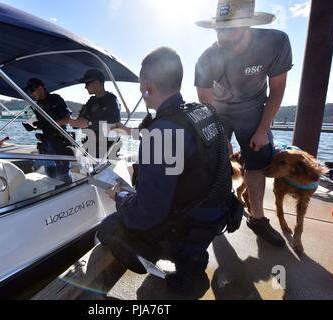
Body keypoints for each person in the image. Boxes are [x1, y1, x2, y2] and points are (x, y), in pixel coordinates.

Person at [97, 47, 233, 297]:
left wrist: (119, 196)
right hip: (214, 218)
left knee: (109, 228)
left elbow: (147, 214)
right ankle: (193, 262)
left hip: (187, 228)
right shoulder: (200, 113)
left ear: (146, 85)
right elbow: (180, 141)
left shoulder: (163, 133)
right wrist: (129, 132)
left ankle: (183, 272)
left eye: (141, 83)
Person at [195, 0, 293, 247]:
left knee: (257, 162)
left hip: (253, 109)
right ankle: (214, 212)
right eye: (219, 28)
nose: (222, 36)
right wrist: (219, 136)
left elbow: (278, 90)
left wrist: (263, 129)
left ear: (248, 25)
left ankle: (257, 219)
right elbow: (205, 101)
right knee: (214, 161)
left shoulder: (275, 43)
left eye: (230, 29)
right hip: (218, 110)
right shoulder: (207, 58)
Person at [25, 78, 73, 181]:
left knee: (62, 174)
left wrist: (50, 124)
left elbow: (67, 119)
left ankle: (66, 190)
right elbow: (44, 124)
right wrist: (35, 126)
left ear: (40, 88)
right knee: (50, 173)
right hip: (46, 143)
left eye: (32, 90)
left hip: (59, 142)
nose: (31, 94)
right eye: (29, 91)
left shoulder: (55, 99)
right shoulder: (37, 104)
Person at [69, 69, 121, 158]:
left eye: (87, 83)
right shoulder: (91, 101)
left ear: (97, 83)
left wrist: (89, 123)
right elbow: (81, 120)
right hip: (90, 148)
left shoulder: (111, 100)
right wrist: (76, 122)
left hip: (106, 151)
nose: (85, 87)